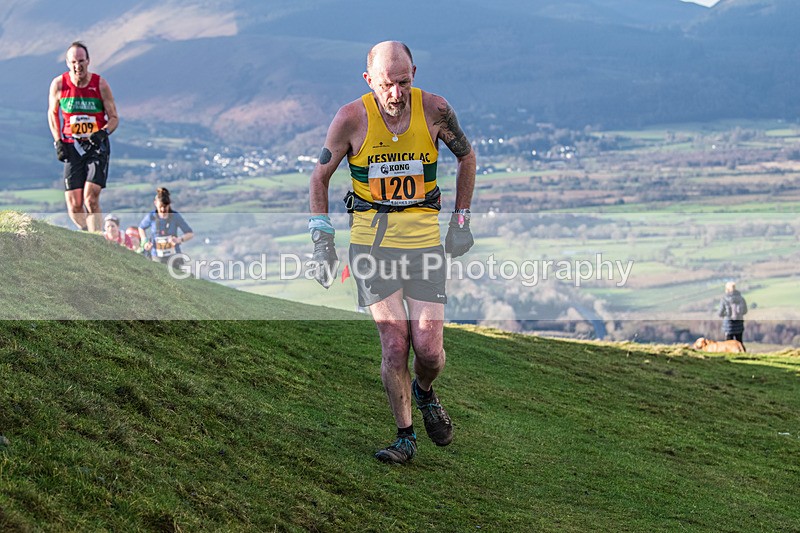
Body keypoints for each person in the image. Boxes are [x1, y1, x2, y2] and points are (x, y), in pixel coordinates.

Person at [308, 41, 476, 464]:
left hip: (423, 247)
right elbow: (319, 178)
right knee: (396, 345)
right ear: (369, 81)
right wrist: (322, 241)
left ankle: (424, 391)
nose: (396, 94)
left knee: (430, 350)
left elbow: (467, 156)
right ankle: (405, 437)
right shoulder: (351, 118)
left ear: (414, 73)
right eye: (387, 84)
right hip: (371, 247)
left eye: (403, 82)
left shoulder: (435, 110)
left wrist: (461, 222)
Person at [47, 41, 119, 232]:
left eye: (81, 61)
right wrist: (58, 142)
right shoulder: (59, 85)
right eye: (73, 62)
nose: (77, 66)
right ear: (67, 63)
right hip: (72, 145)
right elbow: (52, 113)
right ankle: (90, 233)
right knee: (74, 205)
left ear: (88, 61)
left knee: (90, 197)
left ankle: (96, 242)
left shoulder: (100, 85)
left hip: (96, 146)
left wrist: (102, 132)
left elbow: (114, 118)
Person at [138, 188, 194, 269]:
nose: (163, 209)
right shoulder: (151, 216)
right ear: (155, 203)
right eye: (160, 207)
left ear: (169, 204)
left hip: (174, 256)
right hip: (156, 256)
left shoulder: (175, 216)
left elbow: (190, 233)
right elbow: (141, 228)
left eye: (165, 207)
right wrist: (145, 241)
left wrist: (179, 239)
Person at [718, 281, 748, 348]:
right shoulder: (741, 298)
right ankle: (742, 355)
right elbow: (745, 311)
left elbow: (720, 313)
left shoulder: (724, 299)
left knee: (728, 344)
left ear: (727, 289)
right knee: (739, 342)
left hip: (728, 325)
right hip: (739, 324)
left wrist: (725, 315)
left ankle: (730, 356)